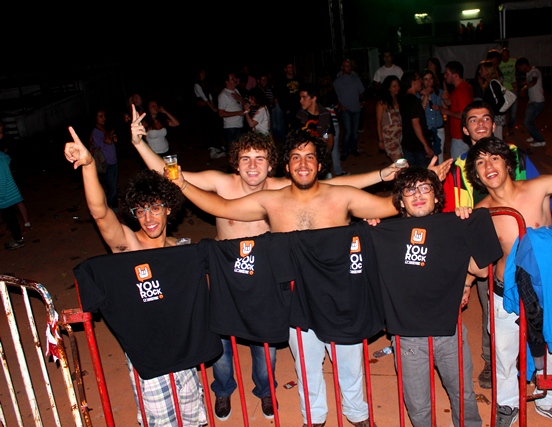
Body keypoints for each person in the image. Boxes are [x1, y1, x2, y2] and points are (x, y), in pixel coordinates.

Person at [130, 105, 409, 423]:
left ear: (318, 165)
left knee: (348, 361)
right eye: (296, 158)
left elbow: (383, 202)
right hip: (291, 296)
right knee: (304, 365)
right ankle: (312, 417)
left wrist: (415, 183)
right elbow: (218, 205)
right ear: (286, 167)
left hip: (338, 294)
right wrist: (169, 173)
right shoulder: (268, 198)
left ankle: (357, 414)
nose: (303, 164)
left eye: (310, 158)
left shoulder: (331, 194)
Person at [63, 127, 208, 427]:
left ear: (169, 208)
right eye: (141, 211)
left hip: (184, 351)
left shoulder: (181, 249)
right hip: (149, 357)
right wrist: (89, 165)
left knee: (192, 420)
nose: (148, 218)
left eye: (155, 208)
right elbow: (100, 213)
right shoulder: (130, 245)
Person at [466, 136, 552, 427]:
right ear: (476, 175)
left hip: (546, 291)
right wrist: (465, 276)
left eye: (494, 158)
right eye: (480, 162)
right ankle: (508, 405)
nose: (488, 166)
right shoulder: (481, 213)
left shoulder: (538, 187)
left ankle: (549, 401)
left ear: (507, 163)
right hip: (506, 293)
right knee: (504, 353)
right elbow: (478, 267)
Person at [447, 100, 552, 391]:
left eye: (486, 118)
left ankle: (539, 372)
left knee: (539, 311)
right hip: (487, 249)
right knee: (493, 310)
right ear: (465, 130)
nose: (480, 124)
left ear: (494, 124)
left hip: (528, 252)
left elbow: (542, 190)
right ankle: (493, 361)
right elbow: (450, 209)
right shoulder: (458, 168)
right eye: (473, 120)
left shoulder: (516, 156)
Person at [370, 166, 500, 427]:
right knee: (418, 407)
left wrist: (468, 226)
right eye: (409, 190)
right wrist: (370, 226)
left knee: (463, 397)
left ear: (437, 196)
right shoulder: (385, 232)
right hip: (407, 337)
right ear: (400, 201)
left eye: (425, 188)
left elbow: (481, 270)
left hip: (449, 333)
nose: (418, 195)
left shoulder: (453, 226)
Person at [399, 71, 435, 167]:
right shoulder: (414, 101)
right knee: (422, 172)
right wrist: (426, 146)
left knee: (411, 172)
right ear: (413, 82)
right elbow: (416, 124)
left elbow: (419, 112)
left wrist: (426, 96)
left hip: (407, 143)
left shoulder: (404, 99)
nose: (421, 81)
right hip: (417, 145)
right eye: (419, 79)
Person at [0, 122, 31, 232]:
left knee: (17, 198)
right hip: (4, 174)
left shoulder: (8, 139)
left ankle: (26, 223)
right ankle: (12, 224)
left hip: (14, 172)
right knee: (6, 203)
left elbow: (15, 156)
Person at [334, 58, 365, 161]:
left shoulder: (356, 79)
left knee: (355, 131)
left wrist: (360, 101)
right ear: (342, 67)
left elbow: (362, 92)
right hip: (345, 109)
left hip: (356, 108)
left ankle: (353, 148)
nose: (348, 67)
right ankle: (345, 151)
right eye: (346, 66)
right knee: (348, 131)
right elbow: (334, 96)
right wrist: (340, 105)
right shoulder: (337, 81)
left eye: (349, 65)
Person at [442, 61, 474, 160]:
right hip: (461, 135)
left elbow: (463, 114)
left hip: (459, 136)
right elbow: (452, 103)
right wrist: (445, 99)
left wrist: (446, 112)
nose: (445, 76)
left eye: (447, 74)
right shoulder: (463, 87)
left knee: (458, 163)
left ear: (455, 75)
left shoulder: (461, 91)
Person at [295, 82, 335, 157]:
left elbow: (330, 137)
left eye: (304, 97)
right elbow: (296, 139)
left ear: (313, 98)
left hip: (321, 154)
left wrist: (326, 154)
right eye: (300, 97)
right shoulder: (299, 116)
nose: (301, 100)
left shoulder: (325, 115)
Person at [90, 109, 119, 212]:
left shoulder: (103, 130)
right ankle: (101, 209)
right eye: (100, 116)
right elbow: (107, 141)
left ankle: (115, 209)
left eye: (104, 116)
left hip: (113, 161)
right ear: (95, 119)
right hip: (106, 164)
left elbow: (109, 141)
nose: (103, 118)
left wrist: (109, 133)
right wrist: (104, 131)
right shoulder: (96, 132)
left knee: (114, 188)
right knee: (112, 190)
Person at [516, 57, 546, 148]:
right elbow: (527, 81)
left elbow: (533, 81)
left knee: (527, 122)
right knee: (529, 121)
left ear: (524, 65)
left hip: (538, 101)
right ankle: (534, 135)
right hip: (533, 100)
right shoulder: (529, 72)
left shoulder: (534, 71)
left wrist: (524, 89)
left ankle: (540, 140)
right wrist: (518, 84)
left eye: (520, 68)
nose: (520, 70)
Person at [193, 68, 222, 155]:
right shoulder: (197, 85)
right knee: (205, 125)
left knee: (212, 125)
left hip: (208, 107)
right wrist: (212, 108)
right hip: (202, 108)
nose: (204, 74)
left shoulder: (205, 83)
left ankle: (213, 142)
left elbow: (209, 96)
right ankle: (207, 143)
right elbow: (204, 98)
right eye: (202, 73)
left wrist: (212, 106)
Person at [1, 149, 25, 250]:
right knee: (10, 218)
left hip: (6, 196)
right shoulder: (2, 157)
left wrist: (1, 195)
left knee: (11, 219)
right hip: (8, 194)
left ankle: (18, 240)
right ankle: (17, 237)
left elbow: (2, 180)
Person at [218, 70, 248, 152]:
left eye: (235, 78)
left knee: (240, 150)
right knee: (233, 151)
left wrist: (240, 99)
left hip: (239, 125)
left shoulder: (236, 91)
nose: (235, 80)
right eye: (232, 79)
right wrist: (238, 113)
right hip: (231, 127)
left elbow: (245, 104)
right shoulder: (223, 95)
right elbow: (221, 113)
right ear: (227, 81)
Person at [375, 75, 403, 162]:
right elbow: (379, 123)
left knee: (401, 163)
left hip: (400, 136)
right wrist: (381, 141)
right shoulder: (382, 103)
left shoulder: (399, 100)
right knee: (399, 163)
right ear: (388, 88)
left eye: (398, 85)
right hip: (390, 137)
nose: (397, 88)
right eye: (394, 86)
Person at [421, 69, 445, 165]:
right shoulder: (419, 94)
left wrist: (440, 106)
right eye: (426, 79)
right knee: (427, 156)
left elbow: (446, 107)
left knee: (439, 154)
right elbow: (420, 111)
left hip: (439, 128)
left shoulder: (439, 92)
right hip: (426, 129)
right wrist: (425, 96)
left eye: (430, 78)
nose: (429, 82)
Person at [478, 60, 507, 140]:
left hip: (496, 116)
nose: (480, 71)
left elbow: (501, 100)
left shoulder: (493, 83)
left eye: (482, 70)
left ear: (488, 71)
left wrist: (492, 112)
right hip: (494, 115)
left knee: (498, 138)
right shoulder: (489, 83)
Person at [273, 61, 301, 139]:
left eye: (292, 67)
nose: (291, 69)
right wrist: (285, 109)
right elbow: (280, 96)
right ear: (285, 69)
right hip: (288, 109)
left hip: (298, 108)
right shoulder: (282, 81)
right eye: (289, 67)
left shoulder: (298, 79)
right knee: (288, 130)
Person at [500, 47, 518, 135]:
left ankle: (510, 127)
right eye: (503, 56)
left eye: (506, 55)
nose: (505, 57)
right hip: (504, 90)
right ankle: (502, 129)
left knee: (513, 111)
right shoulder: (499, 64)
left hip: (513, 89)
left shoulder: (514, 62)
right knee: (503, 111)